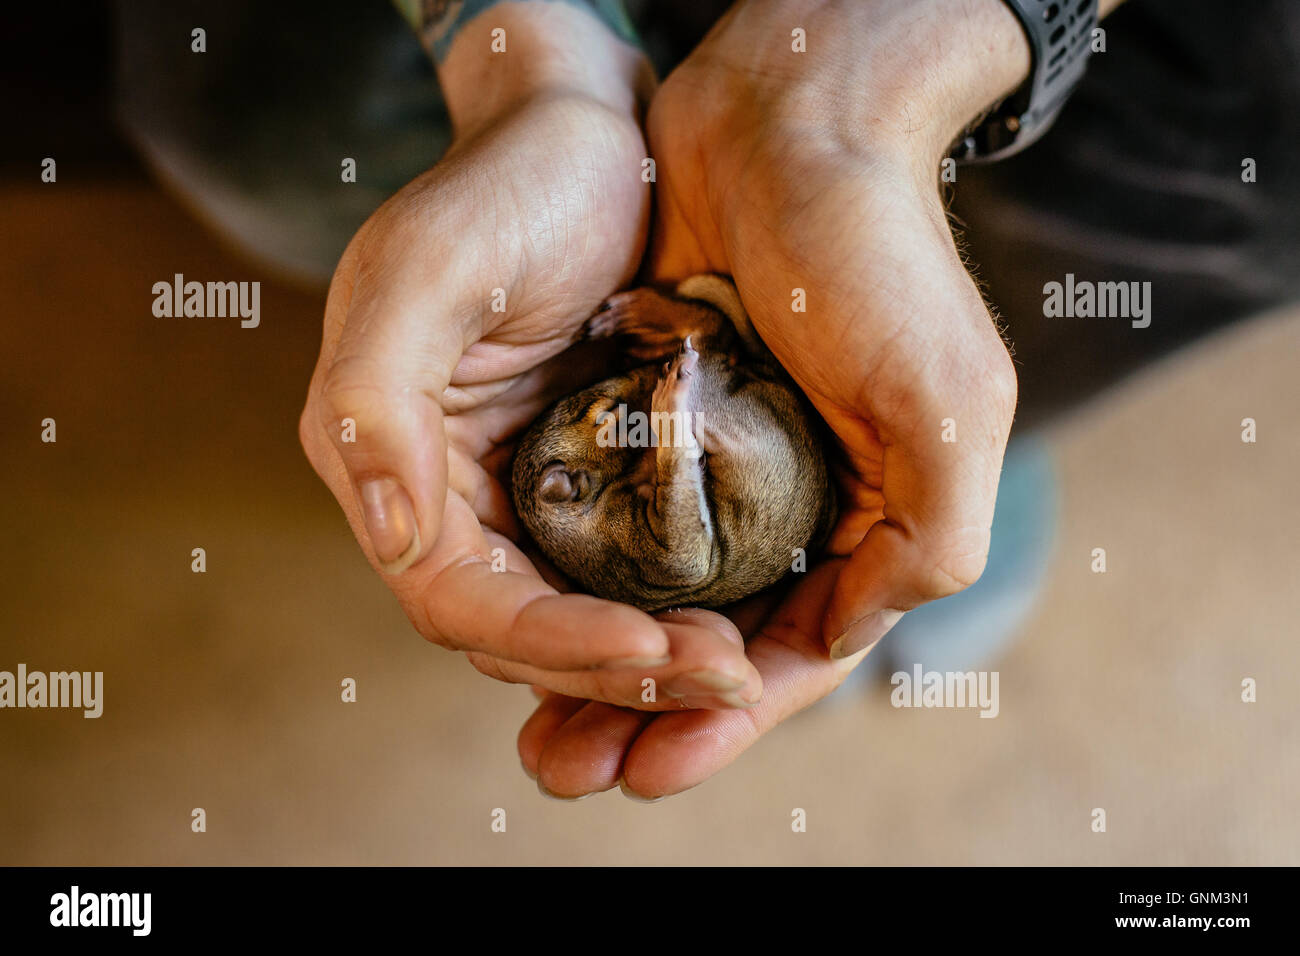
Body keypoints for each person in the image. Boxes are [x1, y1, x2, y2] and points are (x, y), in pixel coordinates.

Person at [123, 0, 1293, 800]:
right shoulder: (656, 443)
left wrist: (861, 67)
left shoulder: (651, 444)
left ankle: (962, 425)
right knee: (252, 107)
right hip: (709, 382)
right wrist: (534, 62)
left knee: (1117, 228)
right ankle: (892, 433)